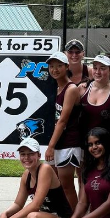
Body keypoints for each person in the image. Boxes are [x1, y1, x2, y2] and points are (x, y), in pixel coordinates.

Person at [45, 51, 83, 209]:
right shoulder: (55, 87)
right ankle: (64, 214)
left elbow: (62, 120)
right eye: (51, 66)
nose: (55, 69)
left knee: (66, 185)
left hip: (69, 142)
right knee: (56, 183)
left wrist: (51, 146)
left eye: (59, 66)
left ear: (67, 66)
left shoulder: (71, 88)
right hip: (58, 140)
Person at [79, 55, 110, 148]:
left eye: (102, 68)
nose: (97, 72)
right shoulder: (82, 89)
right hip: (85, 143)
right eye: (95, 68)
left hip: (107, 145)